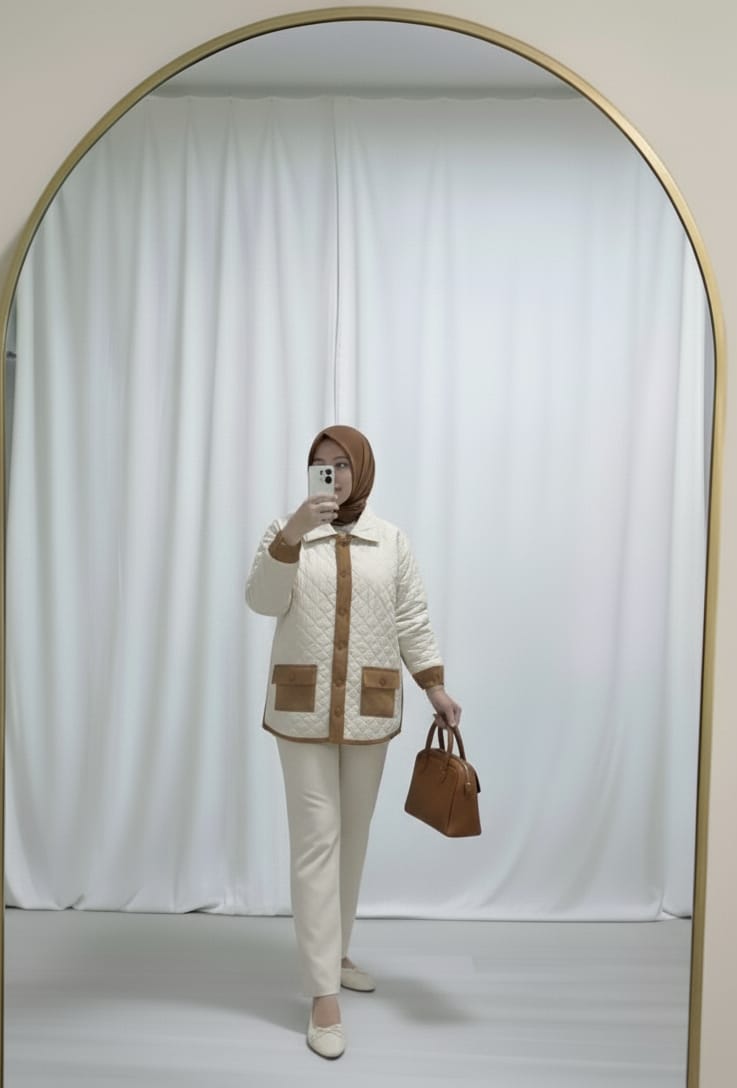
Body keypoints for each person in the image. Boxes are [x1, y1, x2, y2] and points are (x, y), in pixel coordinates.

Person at [245, 425, 461, 1059]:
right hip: (301, 709)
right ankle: (322, 995)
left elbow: (411, 618)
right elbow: (261, 600)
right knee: (318, 839)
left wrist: (434, 685)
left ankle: (335, 952)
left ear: (362, 469)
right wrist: (292, 534)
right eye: (322, 464)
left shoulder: (390, 541)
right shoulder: (286, 533)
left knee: (353, 837)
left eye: (343, 464)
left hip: (370, 707)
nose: (333, 474)